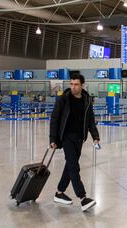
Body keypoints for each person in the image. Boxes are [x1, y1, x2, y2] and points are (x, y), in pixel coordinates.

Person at [49, 74, 100, 212]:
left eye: (76, 84)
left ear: (82, 85)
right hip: (66, 137)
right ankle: (83, 198)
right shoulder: (64, 99)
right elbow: (55, 118)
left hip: (79, 138)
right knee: (73, 166)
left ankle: (59, 193)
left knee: (69, 166)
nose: (73, 87)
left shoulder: (87, 100)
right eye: (71, 84)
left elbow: (90, 121)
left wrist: (95, 136)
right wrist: (53, 138)